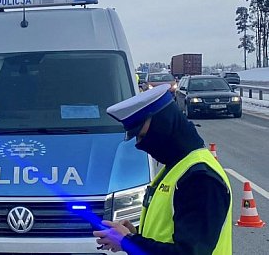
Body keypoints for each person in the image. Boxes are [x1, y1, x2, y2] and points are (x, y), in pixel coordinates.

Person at [93, 84, 232, 254]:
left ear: (164, 125)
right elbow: (170, 233)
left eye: (143, 136)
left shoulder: (200, 179)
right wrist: (135, 234)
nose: (140, 145)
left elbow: (188, 252)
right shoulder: (177, 167)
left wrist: (128, 242)